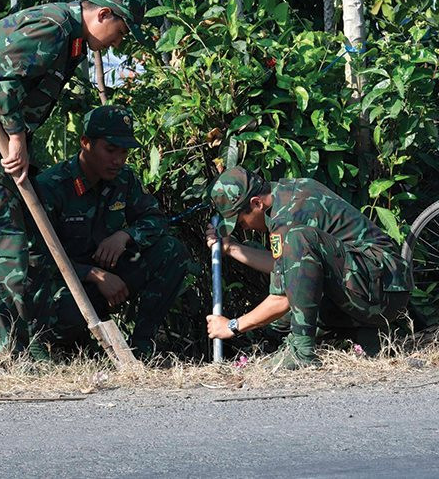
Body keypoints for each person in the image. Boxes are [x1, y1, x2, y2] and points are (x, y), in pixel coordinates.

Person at [0, 0, 146, 358]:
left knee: (14, 246)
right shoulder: (54, 28)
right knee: (4, 247)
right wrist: (17, 138)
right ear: (103, 14)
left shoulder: (71, 36)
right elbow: (0, 81)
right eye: (120, 31)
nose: (117, 42)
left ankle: (19, 351)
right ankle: (3, 358)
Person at [205, 166, 412, 369]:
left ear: (257, 203)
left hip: (381, 290)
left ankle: (303, 352)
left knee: (282, 309)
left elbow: (280, 300)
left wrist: (232, 326)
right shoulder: (285, 194)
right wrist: (231, 248)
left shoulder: (288, 218)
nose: (245, 228)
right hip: (376, 285)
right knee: (279, 324)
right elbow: (291, 269)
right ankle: (367, 336)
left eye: (241, 222)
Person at [33, 105, 189, 358]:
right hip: (68, 284)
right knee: (65, 313)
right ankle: (72, 349)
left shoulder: (124, 179)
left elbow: (156, 220)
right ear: (86, 143)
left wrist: (126, 235)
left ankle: (142, 348)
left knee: (171, 251)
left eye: (124, 152)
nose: (118, 160)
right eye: (110, 150)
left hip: (113, 275)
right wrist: (93, 274)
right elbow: (36, 256)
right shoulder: (52, 186)